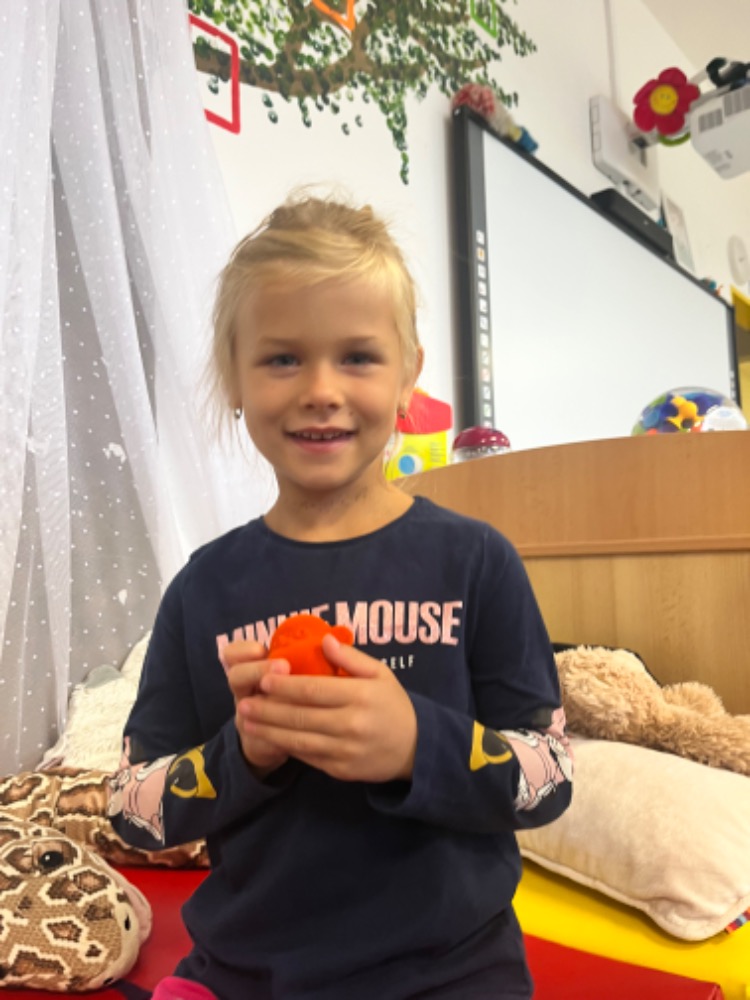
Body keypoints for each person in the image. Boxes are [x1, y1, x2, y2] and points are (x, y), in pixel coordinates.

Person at [108, 193, 573, 1000]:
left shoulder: (475, 561)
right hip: (247, 973)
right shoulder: (203, 587)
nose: (321, 389)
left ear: (407, 376)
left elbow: (551, 776)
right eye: (282, 359)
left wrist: (416, 743)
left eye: (357, 357)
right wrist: (243, 753)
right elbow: (131, 809)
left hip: (450, 973)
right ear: (234, 379)